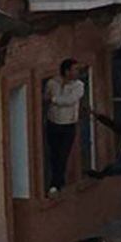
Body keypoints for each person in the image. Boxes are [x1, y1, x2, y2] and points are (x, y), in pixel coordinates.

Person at [45, 58, 86, 196]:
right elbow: (45, 96)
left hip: (68, 125)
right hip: (53, 123)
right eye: (74, 69)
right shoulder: (52, 83)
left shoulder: (78, 86)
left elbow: (70, 101)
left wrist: (53, 99)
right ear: (67, 71)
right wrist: (50, 99)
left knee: (63, 154)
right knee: (54, 154)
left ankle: (56, 184)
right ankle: (56, 181)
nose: (77, 72)